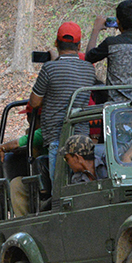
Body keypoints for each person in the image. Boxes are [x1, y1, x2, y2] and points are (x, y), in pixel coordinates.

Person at [29, 22, 99, 181]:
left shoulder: (49, 68)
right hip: (82, 140)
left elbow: (34, 102)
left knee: (60, 192)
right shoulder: (89, 69)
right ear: (80, 46)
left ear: (56, 43)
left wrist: (54, 62)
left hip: (57, 138)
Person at [84, 0, 132, 103]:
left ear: (117, 21)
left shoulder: (111, 43)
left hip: (115, 109)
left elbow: (89, 57)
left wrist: (96, 29)